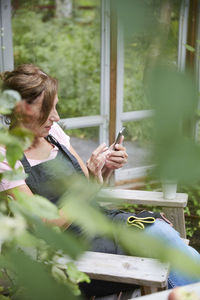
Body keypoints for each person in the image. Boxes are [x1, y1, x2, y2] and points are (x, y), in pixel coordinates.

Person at [0, 64, 200, 298]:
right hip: (71, 253)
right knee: (162, 242)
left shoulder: (54, 134)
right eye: (48, 109)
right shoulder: (5, 159)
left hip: (98, 223)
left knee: (162, 234)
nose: (56, 117)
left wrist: (102, 170)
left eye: (55, 107)